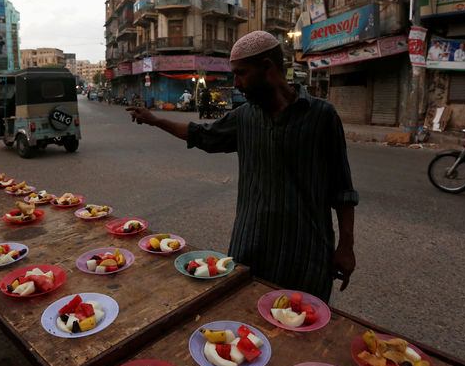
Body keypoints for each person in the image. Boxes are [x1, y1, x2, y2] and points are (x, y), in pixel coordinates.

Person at [127, 31, 358, 302]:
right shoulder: (244, 117)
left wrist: (346, 246)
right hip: (251, 249)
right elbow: (201, 134)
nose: (236, 83)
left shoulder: (322, 117)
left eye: (241, 73)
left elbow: (342, 189)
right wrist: (155, 121)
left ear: (268, 69)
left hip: (305, 256)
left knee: (302, 333)